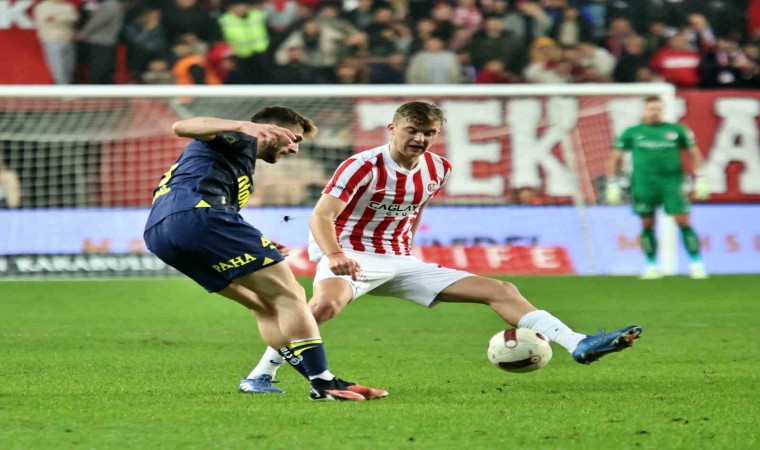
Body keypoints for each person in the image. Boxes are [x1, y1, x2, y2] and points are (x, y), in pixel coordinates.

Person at [241, 101, 642, 394]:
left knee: (501, 290)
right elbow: (320, 216)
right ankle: (260, 375)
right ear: (392, 128)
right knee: (323, 307)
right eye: (412, 130)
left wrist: (408, 252)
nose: (420, 139)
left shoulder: (439, 168)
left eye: (429, 133)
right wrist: (334, 256)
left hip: (399, 259)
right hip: (352, 254)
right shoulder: (361, 165)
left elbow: (415, 210)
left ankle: (578, 343)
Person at [143, 106, 386, 401]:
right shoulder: (237, 137)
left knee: (265, 305)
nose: (294, 149)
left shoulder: (237, 162)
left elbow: (219, 208)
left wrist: (259, 241)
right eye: (293, 139)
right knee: (291, 294)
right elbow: (182, 126)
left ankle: (288, 379)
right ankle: (324, 382)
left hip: (162, 233)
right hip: (199, 217)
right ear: (271, 129)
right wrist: (243, 125)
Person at [606, 96, 709, 280]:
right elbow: (616, 158)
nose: (654, 112)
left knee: (683, 221)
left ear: (663, 111)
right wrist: (613, 183)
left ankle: (697, 265)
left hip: (672, 184)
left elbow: (694, 153)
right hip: (643, 184)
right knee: (647, 224)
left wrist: (700, 179)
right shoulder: (632, 132)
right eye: (651, 108)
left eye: (658, 108)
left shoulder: (677, 130)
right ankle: (651, 266)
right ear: (644, 111)